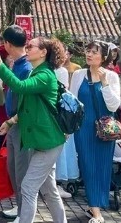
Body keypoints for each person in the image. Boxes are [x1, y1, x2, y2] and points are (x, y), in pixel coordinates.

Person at [0, 37, 68, 223]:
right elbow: (26, 107)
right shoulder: (37, 73)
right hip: (41, 140)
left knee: (28, 187)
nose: (27, 47)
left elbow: (19, 86)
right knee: (49, 190)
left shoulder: (45, 75)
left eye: (31, 46)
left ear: (43, 52)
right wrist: (10, 123)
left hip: (48, 142)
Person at [70, 41, 121, 223]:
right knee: (88, 166)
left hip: (105, 129)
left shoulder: (112, 76)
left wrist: (105, 83)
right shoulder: (78, 75)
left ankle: (95, 206)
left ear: (104, 56)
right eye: (88, 51)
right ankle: (97, 212)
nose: (89, 54)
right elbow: (72, 102)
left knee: (102, 167)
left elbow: (114, 105)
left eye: (94, 52)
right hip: (84, 129)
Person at [0, 26, 33, 219]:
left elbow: (25, 99)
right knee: (13, 169)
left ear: (8, 44)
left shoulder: (26, 67)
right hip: (11, 122)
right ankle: (20, 208)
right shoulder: (18, 64)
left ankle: (25, 213)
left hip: (21, 124)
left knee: (22, 172)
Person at [54, 57, 79, 198]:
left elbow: (62, 92)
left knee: (61, 151)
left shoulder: (61, 71)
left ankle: (57, 183)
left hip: (60, 113)